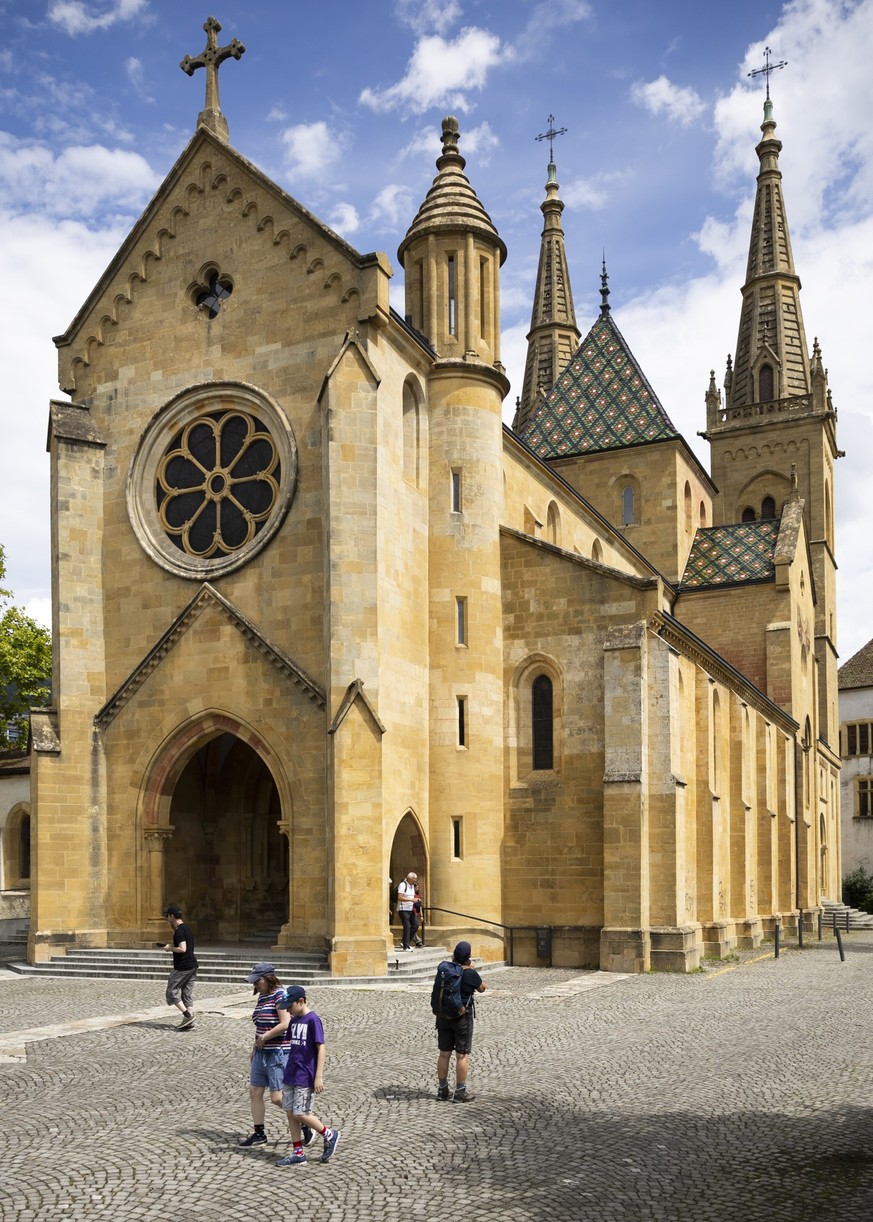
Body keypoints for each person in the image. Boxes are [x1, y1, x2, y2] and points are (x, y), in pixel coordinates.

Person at [238, 962, 314, 1150]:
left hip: (278, 1052)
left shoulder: (280, 995)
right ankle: (259, 1133)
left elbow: (285, 1023)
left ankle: (306, 1122)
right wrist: (254, 1049)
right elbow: (260, 1025)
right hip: (261, 1052)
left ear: (266, 979)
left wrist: (264, 1037)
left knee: (277, 1097)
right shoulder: (263, 996)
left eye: (257, 982)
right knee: (254, 1092)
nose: (254, 985)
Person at [276, 985, 341, 1167]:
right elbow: (292, 1048)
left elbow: (321, 1048)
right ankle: (298, 1153)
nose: (287, 1010)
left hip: (305, 1075)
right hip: (291, 1074)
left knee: (301, 1113)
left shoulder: (313, 1020)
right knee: (290, 1114)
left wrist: (318, 1076)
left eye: (290, 1006)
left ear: (301, 1001)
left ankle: (329, 1134)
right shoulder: (294, 1020)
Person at [434, 940, 486, 1102]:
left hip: (443, 1015)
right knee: (461, 1055)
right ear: (468, 957)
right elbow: (482, 988)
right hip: (462, 1016)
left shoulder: (446, 970)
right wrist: (472, 970)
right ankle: (460, 1092)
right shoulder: (470, 973)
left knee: (444, 1054)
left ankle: (442, 1090)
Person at [161, 904, 197, 1029]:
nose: (167, 919)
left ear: (172, 916)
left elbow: (182, 949)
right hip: (192, 965)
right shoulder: (187, 928)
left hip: (183, 966)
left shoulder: (179, 931)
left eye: (167, 916)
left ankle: (187, 1015)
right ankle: (189, 1019)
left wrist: (170, 948)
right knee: (186, 993)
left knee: (171, 991)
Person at [396, 870, 418, 951]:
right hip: (403, 909)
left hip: (410, 908)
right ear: (409, 878)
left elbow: (411, 895)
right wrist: (411, 900)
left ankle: (405, 942)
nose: (415, 881)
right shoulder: (402, 885)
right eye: (413, 879)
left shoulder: (412, 885)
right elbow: (400, 897)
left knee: (415, 925)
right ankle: (406, 946)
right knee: (407, 926)